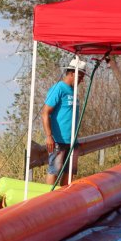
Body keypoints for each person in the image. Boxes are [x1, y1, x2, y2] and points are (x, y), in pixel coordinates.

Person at [42, 57, 87, 186]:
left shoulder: (73, 91)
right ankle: (49, 199)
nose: (82, 80)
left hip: (72, 141)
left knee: (70, 172)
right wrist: (49, 136)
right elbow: (45, 112)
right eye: (81, 76)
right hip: (58, 140)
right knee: (54, 170)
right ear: (73, 73)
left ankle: (63, 198)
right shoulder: (59, 88)